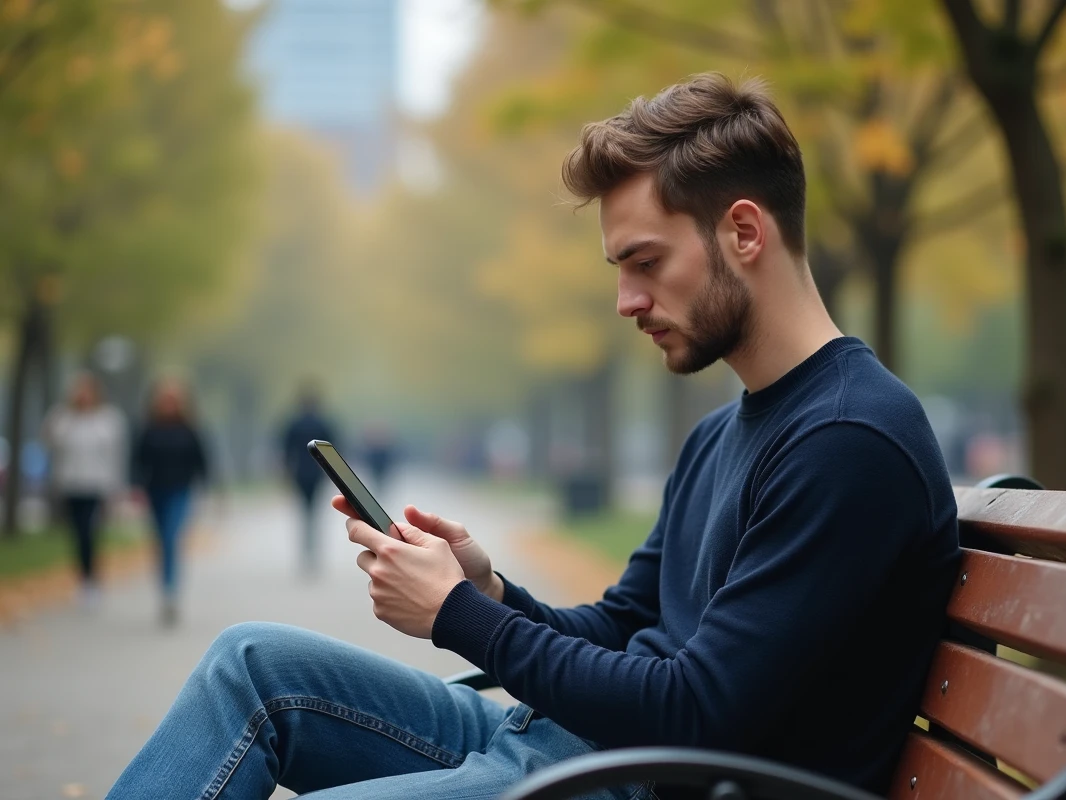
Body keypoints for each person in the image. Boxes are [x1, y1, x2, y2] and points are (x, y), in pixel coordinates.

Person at [107, 74, 960, 800]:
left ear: (743, 232)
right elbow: (626, 625)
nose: (626, 301)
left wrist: (456, 620)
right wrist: (489, 592)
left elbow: (699, 709)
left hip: (633, 778)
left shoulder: (848, 442)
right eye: (620, 270)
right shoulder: (723, 434)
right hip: (579, 750)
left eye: (646, 262)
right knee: (249, 663)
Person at [43, 372, 127, 608]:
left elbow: (115, 456)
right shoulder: (63, 417)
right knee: (76, 533)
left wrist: (115, 488)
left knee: (89, 533)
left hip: (97, 485)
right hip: (70, 484)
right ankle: (84, 578)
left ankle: (91, 580)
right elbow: (51, 441)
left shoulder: (108, 419)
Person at [131, 377, 209, 626]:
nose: (168, 404)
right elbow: (137, 460)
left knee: (171, 537)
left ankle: (170, 591)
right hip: (155, 491)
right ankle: (165, 587)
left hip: (181, 491)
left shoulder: (190, 430)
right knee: (160, 541)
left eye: (173, 400)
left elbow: (202, 461)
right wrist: (136, 487)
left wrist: (208, 489)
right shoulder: (148, 429)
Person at [280, 383, 338, 575]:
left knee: (305, 514)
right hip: (318, 473)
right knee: (314, 514)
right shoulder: (324, 423)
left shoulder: (293, 424)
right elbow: (333, 450)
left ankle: (306, 550)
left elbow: (286, 452)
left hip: (299, 473)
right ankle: (312, 551)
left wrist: (285, 473)